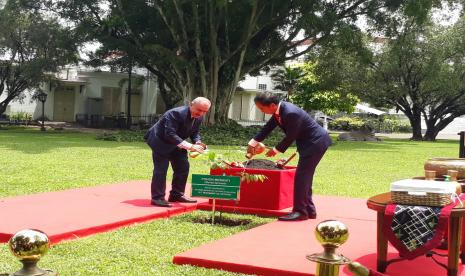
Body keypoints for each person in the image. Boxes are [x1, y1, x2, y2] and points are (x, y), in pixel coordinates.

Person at [247, 92, 331, 221]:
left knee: (301, 177)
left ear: (272, 105)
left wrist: (275, 150)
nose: (261, 111)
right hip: (310, 143)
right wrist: (252, 143)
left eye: (262, 108)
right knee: (305, 178)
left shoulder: (290, 113)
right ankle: (309, 210)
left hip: (315, 143)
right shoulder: (279, 111)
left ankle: (300, 212)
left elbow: (291, 135)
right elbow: (267, 128)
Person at [144, 97, 211, 207]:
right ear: (191, 105)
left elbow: (194, 133)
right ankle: (157, 198)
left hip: (177, 143)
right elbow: (169, 134)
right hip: (160, 142)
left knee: (183, 166)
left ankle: (176, 195)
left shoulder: (199, 117)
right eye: (199, 110)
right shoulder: (175, 114)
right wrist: (190, 146)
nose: (201, 113)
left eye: (205, 111)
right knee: (161, 169)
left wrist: (198, 143)